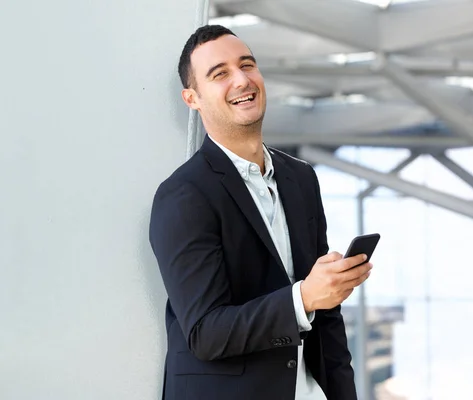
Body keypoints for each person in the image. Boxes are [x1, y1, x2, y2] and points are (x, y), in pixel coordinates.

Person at [149, 24, 373, 400]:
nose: (241, 80)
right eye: (219, 74)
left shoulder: (301, 179)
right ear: (192, 98)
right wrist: (303, 298)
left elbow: (328, 318)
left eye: (247, 65)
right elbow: (205, 333)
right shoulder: (184, 195)